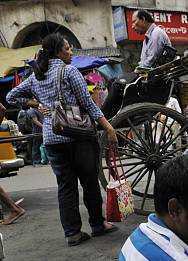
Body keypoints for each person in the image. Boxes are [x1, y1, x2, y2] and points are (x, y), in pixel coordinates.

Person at [6, 33, 118, 246]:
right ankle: (97, 225)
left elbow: (11, 97)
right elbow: (88, 103)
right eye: (68, 48)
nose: (71, 52)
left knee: (65, 187)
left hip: (52, 137)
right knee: (89, 182)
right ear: (58, 51)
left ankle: (72, 233)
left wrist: (37, 105)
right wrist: (108, 126)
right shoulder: (69, 71)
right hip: (79, 136)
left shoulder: (36, 76)